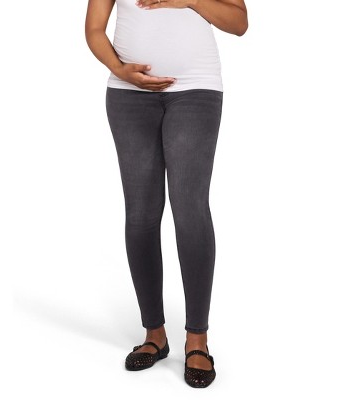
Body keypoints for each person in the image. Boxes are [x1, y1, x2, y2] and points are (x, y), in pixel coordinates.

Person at [85, 0, 248, 388]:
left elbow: (239, 22)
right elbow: (94, 29)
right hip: (128, 95)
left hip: (196, 89)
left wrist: (191, 0)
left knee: (189, 207)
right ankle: (154, 335)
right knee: (140, 212)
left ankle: (197, 339)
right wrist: (119, 69)